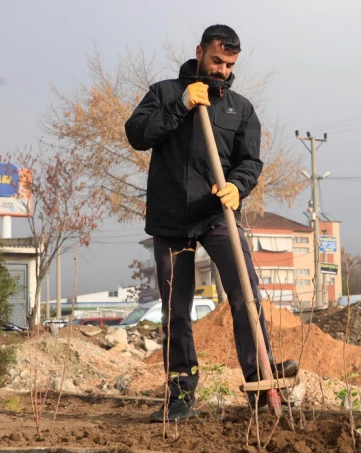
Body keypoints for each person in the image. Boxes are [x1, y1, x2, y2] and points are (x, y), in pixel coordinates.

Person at [124, 24, 298, 422]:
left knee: (245, 292)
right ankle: (181, 393)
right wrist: (181, 105)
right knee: (177, 309)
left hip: (217, 217)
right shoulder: (165, 93)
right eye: (217, 60)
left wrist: (238, 186)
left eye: (229, 64)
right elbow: (137, 134)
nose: (221, 70)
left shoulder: (240, 107)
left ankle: (261, 380)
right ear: (200, 51)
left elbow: (250, 162)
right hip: (170, 221)